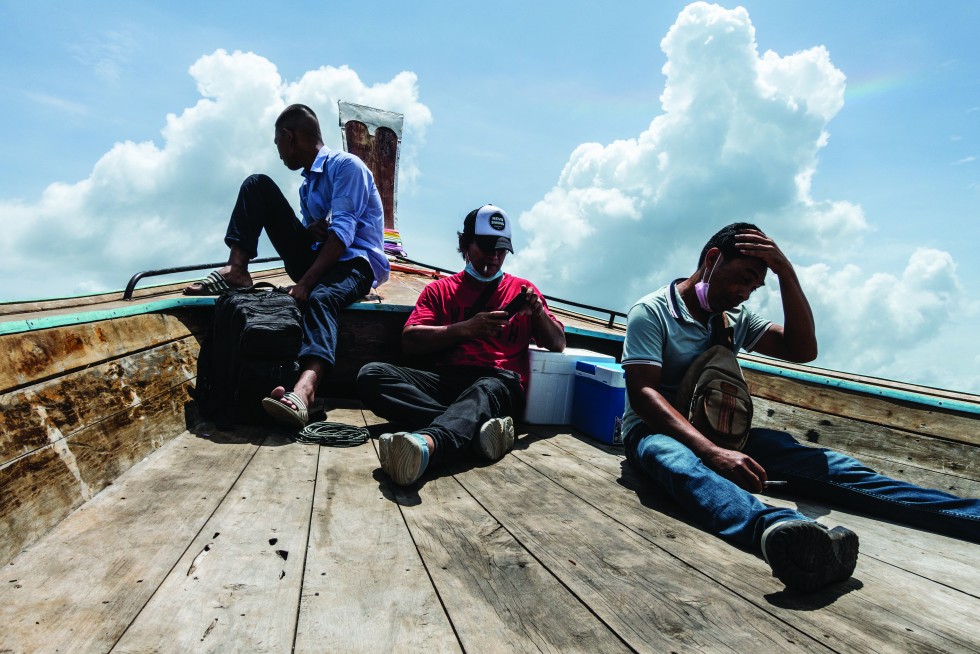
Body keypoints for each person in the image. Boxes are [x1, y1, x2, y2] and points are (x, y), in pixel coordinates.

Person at [622, 222, 980, 592]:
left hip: (725, 435)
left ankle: (970, 516)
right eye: (742, 278)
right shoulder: (653, 312)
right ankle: (780, 532)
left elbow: (802, 349)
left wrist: (786, 271)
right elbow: (644, 394)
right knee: (679, 465)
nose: (744, 293)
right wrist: (711, 453)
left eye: (754, 287)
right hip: (654, 432)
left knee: (832, 467)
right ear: (713, 259)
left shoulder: (734, 320)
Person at [183, 103, 389, 427]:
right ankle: (237, 269)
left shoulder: (347, 167)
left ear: (288, 137)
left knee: (322, 298)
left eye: (278, 143)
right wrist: (309, 233)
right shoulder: (307, 185)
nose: (279, 152)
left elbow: (343, 236)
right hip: (321, 258)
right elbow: (319, 236)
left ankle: (305, 390)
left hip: (354, 263)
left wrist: (305, 284)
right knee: (257, 185)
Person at [356, 204, 566, 486]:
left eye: (501, 250)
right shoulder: (439, 290)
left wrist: (539, 312)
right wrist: (464, 329)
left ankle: (428, 444)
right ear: (465, 244)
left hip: (498, 383)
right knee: (371, 375)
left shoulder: (523, 289)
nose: (493, 257)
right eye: (486, 247)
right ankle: (476, 431)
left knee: (484, 389)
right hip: (448, 381)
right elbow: (410, 341)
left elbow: (558, 344)